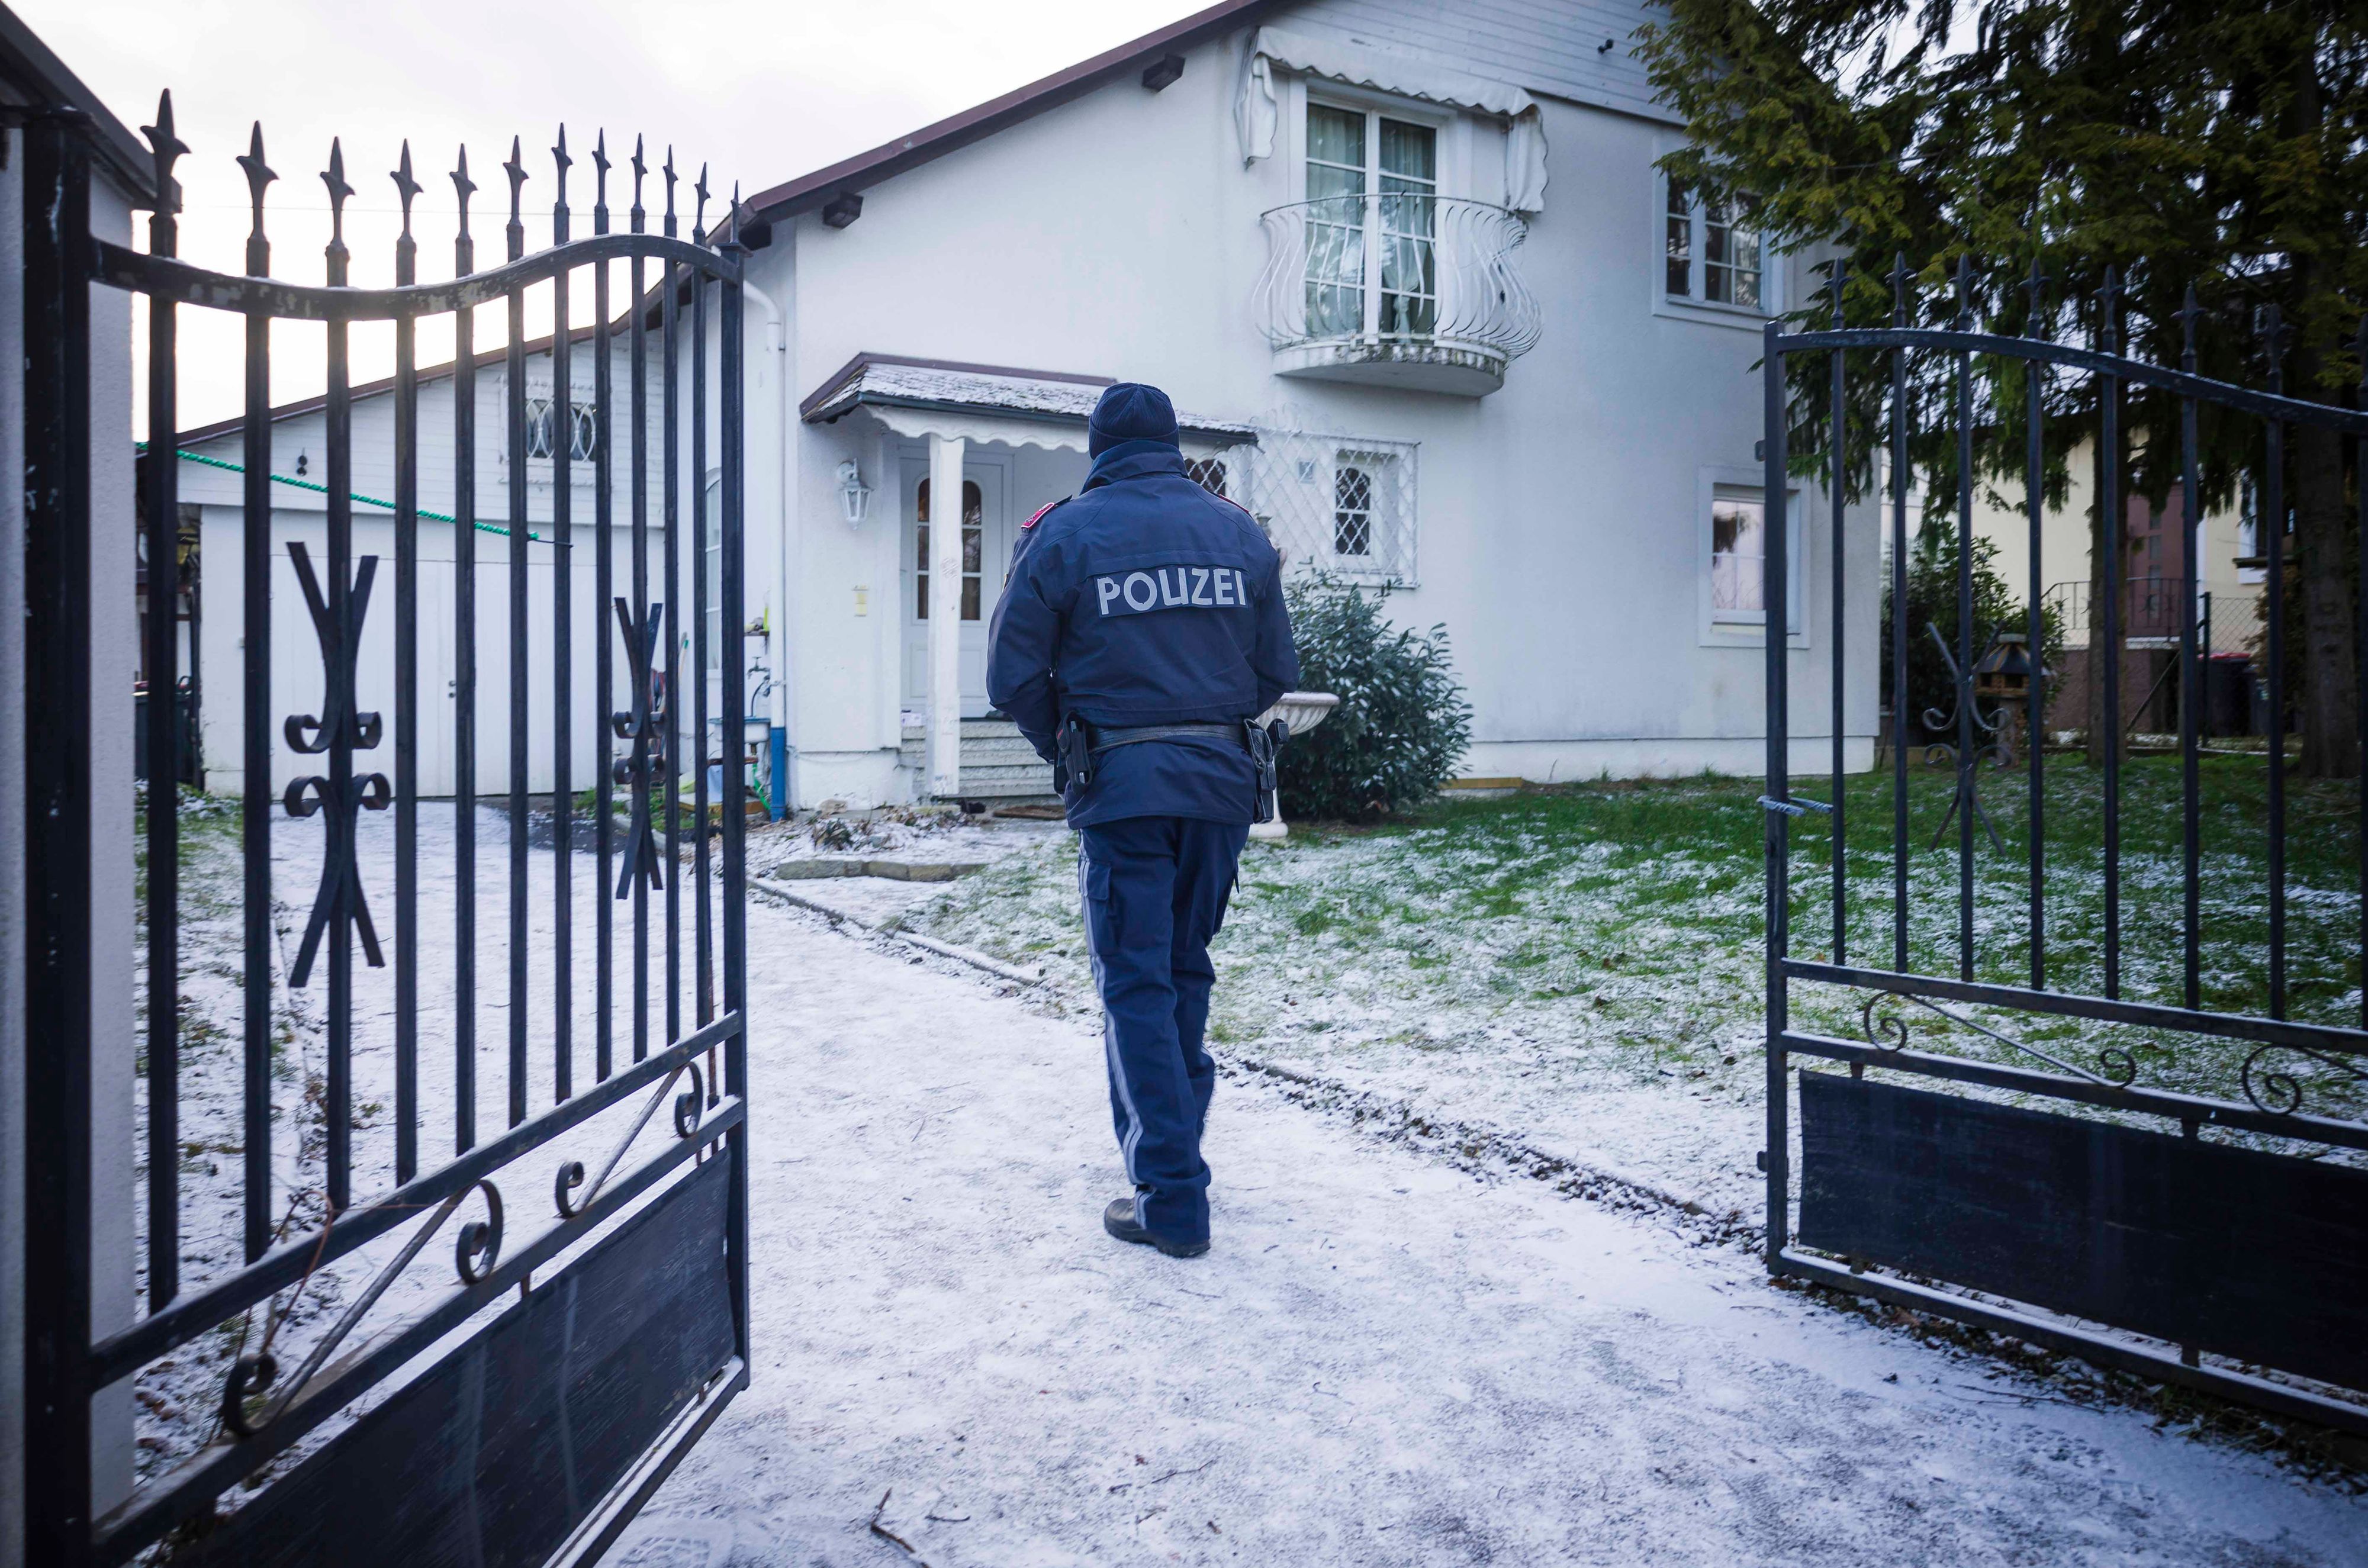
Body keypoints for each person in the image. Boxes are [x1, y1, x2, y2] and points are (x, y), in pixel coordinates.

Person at [986, 383, 1298, 1259]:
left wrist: (1074, 745)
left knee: (1135, 984)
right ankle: (1174, 1158)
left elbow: (1011, 676)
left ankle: (1170, 1196)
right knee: (1179, 970)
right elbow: (1277, 668)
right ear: (1173, 442)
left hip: (1122, 789)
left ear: (1097, 449)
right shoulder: (1237, 530)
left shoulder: (1064, 533)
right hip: (1220, 787)